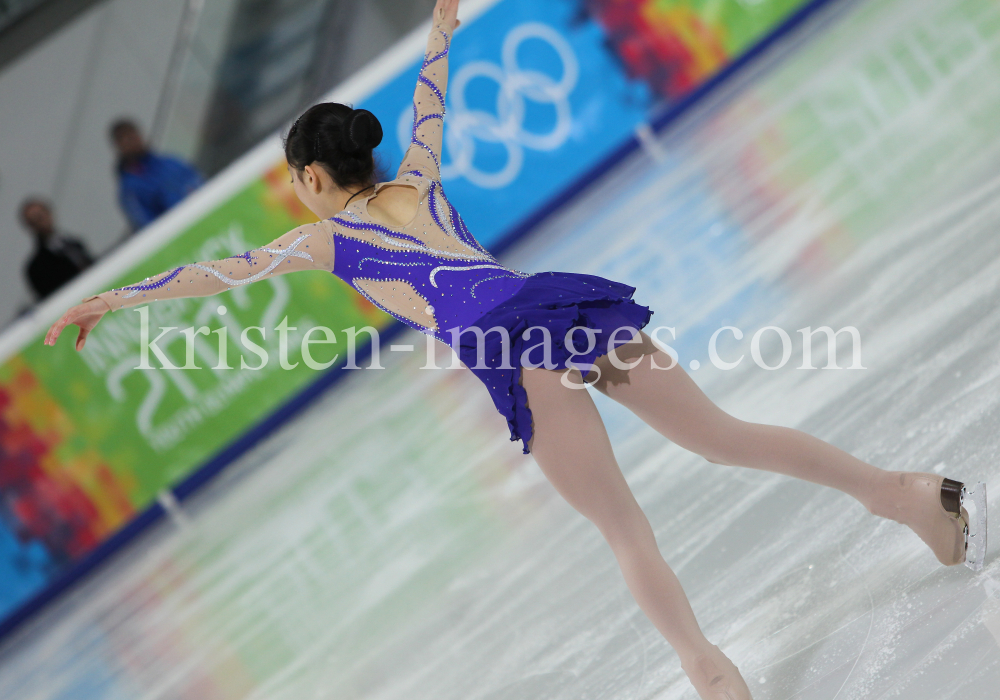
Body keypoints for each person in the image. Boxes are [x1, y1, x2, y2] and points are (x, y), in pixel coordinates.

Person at [45, 2, 985, 697]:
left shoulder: (323, 238)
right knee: (724, 435)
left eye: (300, 180)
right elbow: (430, 92)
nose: (300, 195)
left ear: (315, 177)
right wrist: (446, 20)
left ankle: (710, 672)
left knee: (622, 525)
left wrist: (113, 297)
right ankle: (903, 494)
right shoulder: (421, 173)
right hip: (556, 307)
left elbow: (219, 274)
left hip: (507, 348)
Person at [110, 118, 203, 232]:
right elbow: (149, 227)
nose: (133, 142)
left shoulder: (170, 162)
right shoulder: (130, 190)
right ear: (119, 147)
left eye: (134, 135)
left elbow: (200, 183)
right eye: (127, 139)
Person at [19, 198, 94, 301]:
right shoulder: (37, 268)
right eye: (34, 220)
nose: (40, 221)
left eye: (40, 216)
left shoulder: (74, 244)